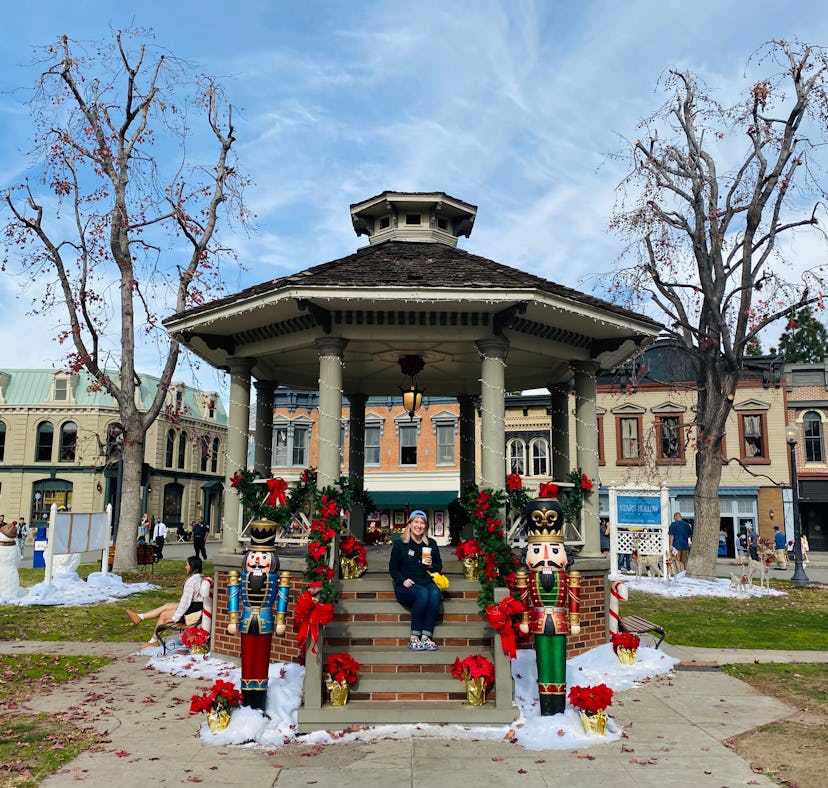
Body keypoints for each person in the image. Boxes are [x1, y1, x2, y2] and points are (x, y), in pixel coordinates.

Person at [517, 486, 580, 716]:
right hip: (540, 618)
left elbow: (573, 596)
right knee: (543, 660)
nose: (546, 558)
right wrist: (525, 618)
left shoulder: (567, 576)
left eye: (554, 550)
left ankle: (559, 704)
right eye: (538, 550)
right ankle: (546, 706)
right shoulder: (528, 576)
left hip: (561, 619)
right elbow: (525, 597)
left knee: (558, 659)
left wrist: (574, 619)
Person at [227, 518, 291, 711]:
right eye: (254, 555)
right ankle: (247, 696)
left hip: (265, 619)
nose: (257, 561)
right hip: (246, 619)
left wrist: (281, 620)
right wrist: (233, 619)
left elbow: (282, 597)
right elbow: (234, 595)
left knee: (262, 659)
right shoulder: (241, 577)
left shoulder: (276, 578)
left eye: (263, 557)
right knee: (247, 658)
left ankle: (259, 700)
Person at [388, 510, 443, 651]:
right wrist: (402, 580)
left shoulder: (431, 543)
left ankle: (426, 637)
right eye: (416, 522)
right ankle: (414, 637)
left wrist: (431, 565)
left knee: (435, 592)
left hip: (425, 581)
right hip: (406, 586)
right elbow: (393, 568)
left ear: (426, 526)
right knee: (423, 593)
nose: (419, 525)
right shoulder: (400, 543)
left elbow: (438, 566)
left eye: (422, 523)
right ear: (410, 524)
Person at [125, 556, 204, 647]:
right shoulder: (200, 578)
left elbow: (185, 602)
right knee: (167, 606)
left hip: (193, 613)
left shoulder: (191, 582)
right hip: (197, 607)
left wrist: (175, 618)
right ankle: (140, 617)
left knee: (164, 615)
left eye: (187, 565)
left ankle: (153, 641)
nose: (185, 567)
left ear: (192, 566)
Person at [0, 515, 23, 602]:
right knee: (10, 586)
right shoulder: (15, 547)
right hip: (12, 573)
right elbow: (18, 560)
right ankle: (11, 595)